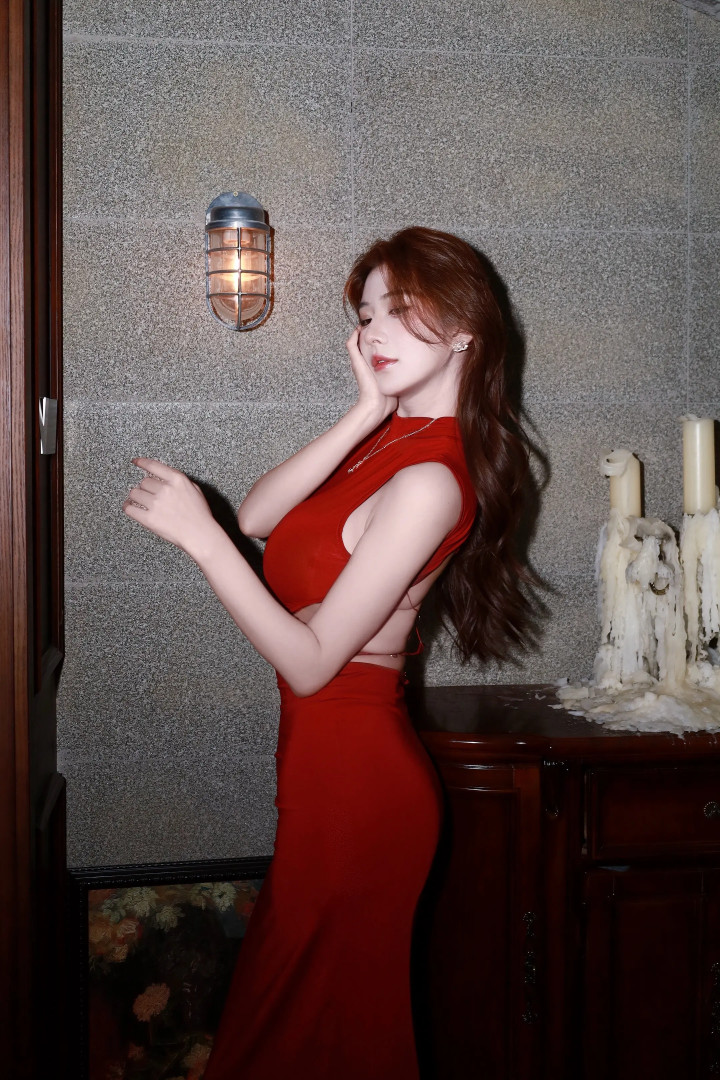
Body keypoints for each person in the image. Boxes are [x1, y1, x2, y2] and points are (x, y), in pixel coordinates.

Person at [122, 226, 538, 1078]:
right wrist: (364, 411)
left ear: (465, 329)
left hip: (359, 792)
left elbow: (312, 663)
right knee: (291, 1033)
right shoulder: (387, 441)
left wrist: (202, 542)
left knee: (314, 1040)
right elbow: (257, 517)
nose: (373, 330)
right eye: (365, 313)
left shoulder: (432, 478)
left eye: (400, 307)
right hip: (320, 780)